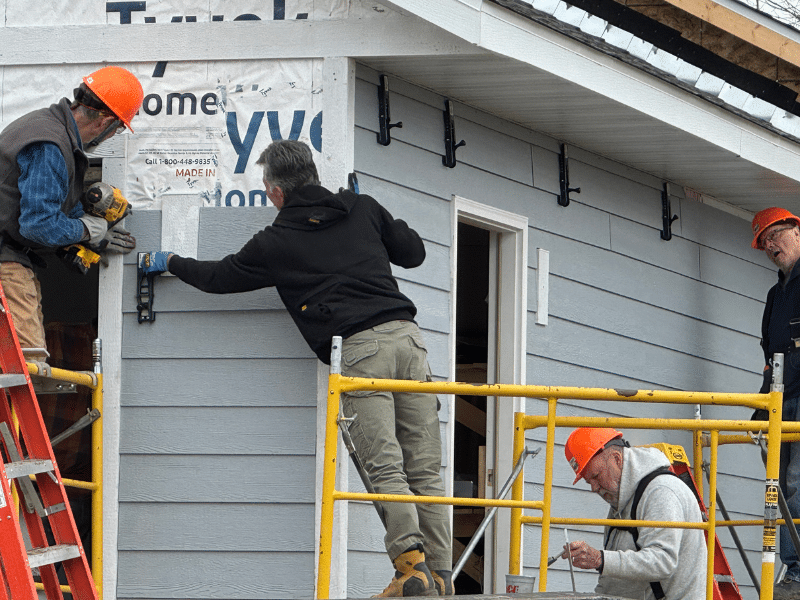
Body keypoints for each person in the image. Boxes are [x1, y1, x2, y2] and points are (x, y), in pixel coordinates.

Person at [139, 139, 452, 598]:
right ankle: (440, 574)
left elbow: (220, 278)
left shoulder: (277, 240)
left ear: (277, 193)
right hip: (408, 339)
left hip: (361, 351)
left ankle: (412, 569)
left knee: (385, 466)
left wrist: (172, 262)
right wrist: (377, 212)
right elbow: (413, 252)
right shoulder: (360, 207)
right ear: (313, 175)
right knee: (424, 466)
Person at [0, 66, 143, 359]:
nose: (112, 135)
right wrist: (88, 229)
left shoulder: (51, 128)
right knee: (28, 363)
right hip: (4, 259)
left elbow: (51, 208)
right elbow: (38, 224)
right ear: (106, 120)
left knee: (25, 362)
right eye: (117, 129)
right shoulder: (49, 144)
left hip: (13, 255)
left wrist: (87, 239)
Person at [561, 427, 706, 599]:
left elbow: (662, 562)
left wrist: (600, 559)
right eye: (588, 482)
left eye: (596, 476)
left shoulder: (661, 491)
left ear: (616, 459)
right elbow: (613, 578)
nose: (594, 488)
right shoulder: (621, 500)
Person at [751, 207, 800, 599]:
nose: (771, 246)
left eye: (776, 236)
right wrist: (762, 404)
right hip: (783, 400)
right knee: (779, 485)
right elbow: (773, 355)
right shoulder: (774, 295)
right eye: (765, 242)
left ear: (796, 233)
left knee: (798, 482)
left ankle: (797, 568)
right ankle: (791, 564)